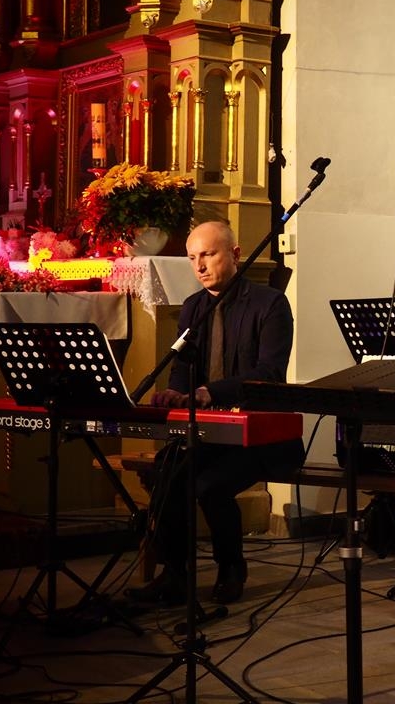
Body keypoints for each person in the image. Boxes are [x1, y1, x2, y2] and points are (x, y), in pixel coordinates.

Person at [127, 220, 304, 605]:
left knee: (210, 485)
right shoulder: (194, 308)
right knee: (166, 471)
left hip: (263, 435)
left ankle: (231, 568)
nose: (200, 266)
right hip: (211, 432)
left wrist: (211, 392)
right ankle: (176, 576)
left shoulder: (270, 304)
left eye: (208, 254)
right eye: (193, 258)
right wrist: (175, 393)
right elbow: (182, 368)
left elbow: (270, 373)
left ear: (235, 254)